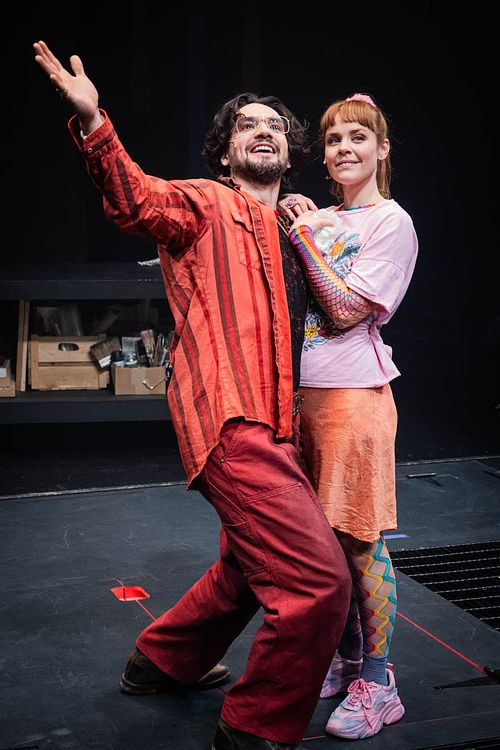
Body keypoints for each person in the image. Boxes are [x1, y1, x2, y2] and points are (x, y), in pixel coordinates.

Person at [33, 40, 351, 750]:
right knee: (317, 585)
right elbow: (135, 199)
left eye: (274, 125)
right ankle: (253, 730)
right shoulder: (204, 204)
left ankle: (160, 661)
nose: (262, 130)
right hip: (232, 420)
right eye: (247, 125)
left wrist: (303, 219)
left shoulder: (294, 226)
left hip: (280, 426)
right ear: (225, 153)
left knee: (245, 570)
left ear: (291, 152)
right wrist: (93, 122)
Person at [278, 92, 418, 740]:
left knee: (360, 539)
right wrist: (299, 220)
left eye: (358, 137)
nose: (344, 149)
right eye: (334, 139)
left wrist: (302, 234)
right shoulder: (323, 217)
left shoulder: (392, 222)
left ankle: (381, 683)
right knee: (323, 546)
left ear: (382, 149)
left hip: (354, 398)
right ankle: (348, 659)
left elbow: (341, 311)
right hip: (303, 397)